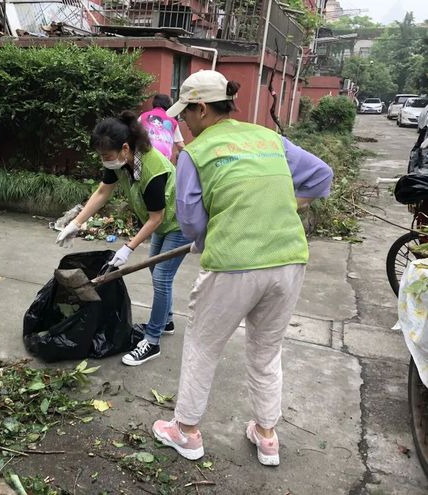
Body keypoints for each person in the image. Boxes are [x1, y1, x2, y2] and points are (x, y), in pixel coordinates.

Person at [151, 70, 333, 464]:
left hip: (233, 263)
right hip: (288, 260)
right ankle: (267, 436)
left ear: (202, 108)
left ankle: (185, 432)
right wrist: (286, 205)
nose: (183, 121)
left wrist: (205, 241)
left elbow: (190, 220)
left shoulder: (196, 153)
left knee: (203, 345)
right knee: (267, 351)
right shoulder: (269, 139)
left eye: (186, 113)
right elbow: (321, 176)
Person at [55, 111, 190, 366]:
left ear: (125, 148)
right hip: (163, 221)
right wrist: (76, 223)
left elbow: (156, 218)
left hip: (179, 222)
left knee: (161, 277)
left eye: (107, 156)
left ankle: (151, 341)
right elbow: (103, 191)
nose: (105, 161)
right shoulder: (121, 162)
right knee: (156, 270)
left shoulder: (153, 170)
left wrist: (128, 248)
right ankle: (166, 320)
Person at [139, 94, 185, 161]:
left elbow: (132, 134)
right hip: (164, 160)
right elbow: (180, 145)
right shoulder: (172, 121)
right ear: (169, 105)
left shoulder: (143, 116)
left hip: (145, 158)